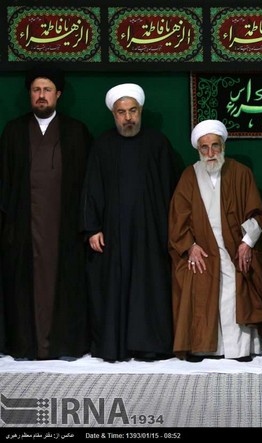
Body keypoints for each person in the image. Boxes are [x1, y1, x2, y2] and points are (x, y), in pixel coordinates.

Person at [81, 83, 181, 362]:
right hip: (114, 235)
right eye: (121, 112)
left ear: (141, 111)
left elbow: (174, 191)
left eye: (132, 111)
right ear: (114, 115)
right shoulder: (102, 145)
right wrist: (92, 228)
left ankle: (150, 345)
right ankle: (118, 346)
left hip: (152, 234)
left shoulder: (158, 144)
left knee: (150, 287)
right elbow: (91, 189)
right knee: (116, 288)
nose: (128, 118)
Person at [0, 64, 92, 360]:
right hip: (24, 227)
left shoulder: (76, 132)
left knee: (65, 282)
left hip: (65, 228)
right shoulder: (13, 131)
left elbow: (88, 185)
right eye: (36, 90)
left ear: (58, 94)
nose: (41, 95)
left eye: (47, 90)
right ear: (30, 94)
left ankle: (63, 345)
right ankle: (26, 345)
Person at [169, 120, 262, 362]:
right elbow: (177, 219)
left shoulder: (240, 173)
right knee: (198, 279)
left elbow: (257, 214)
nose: (210, 153)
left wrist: (247, 243)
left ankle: (239, 349)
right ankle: (204, 347)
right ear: (198, 150)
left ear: (223, 146)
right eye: (204, 148)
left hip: (235, 250)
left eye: (215, 146)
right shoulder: (189, 176)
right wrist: (190, 247)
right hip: (202, 251)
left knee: (235, 289)